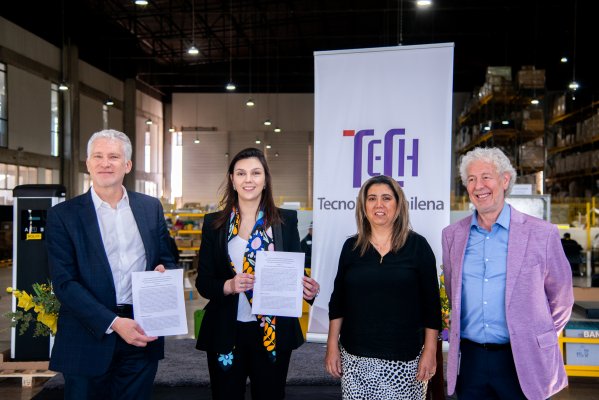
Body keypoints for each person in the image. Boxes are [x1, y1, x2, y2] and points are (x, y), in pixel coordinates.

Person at [46, 129, 177, 400]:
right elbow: (64, 283)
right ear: (88, 163)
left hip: (141, 332)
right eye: (99, 156)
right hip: (86, 335)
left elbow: (167, 259)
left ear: (127, 165)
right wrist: (114, 322)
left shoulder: (150, 208)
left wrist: (164, 273)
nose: (105, 163)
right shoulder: (63, 215)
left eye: (114, 156)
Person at [441, 147, 574, 400]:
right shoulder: (452, 236)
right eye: (471, 179)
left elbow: (562, 298)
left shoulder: (542, 234)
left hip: (522, 359)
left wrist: (534, 336)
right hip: (471, 361)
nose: (478, 185)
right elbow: (453, 288)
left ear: (504, 180)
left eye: (486, 176)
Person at [195, 147, 320, 400]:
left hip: (273, 330)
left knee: (270, 395)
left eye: (255, 173)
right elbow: (204, 282)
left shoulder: (285, 221)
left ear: (265, 179)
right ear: (232, 179)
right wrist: (229, 285)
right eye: (241, 173)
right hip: (226, 330)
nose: (248, 179)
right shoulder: (214, 223)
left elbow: (293, 272)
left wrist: (308, 290)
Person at [325, 175, 441, 400]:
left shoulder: (418, 247)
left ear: (398, 205)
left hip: (406, 360)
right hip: (356, 358)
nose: (379, 205)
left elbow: (431, 305)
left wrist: (430, 350)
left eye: (386, 198)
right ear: (363, 206)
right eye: (372, 198)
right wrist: (332, 346)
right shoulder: (351, 248)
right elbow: (338, 301)